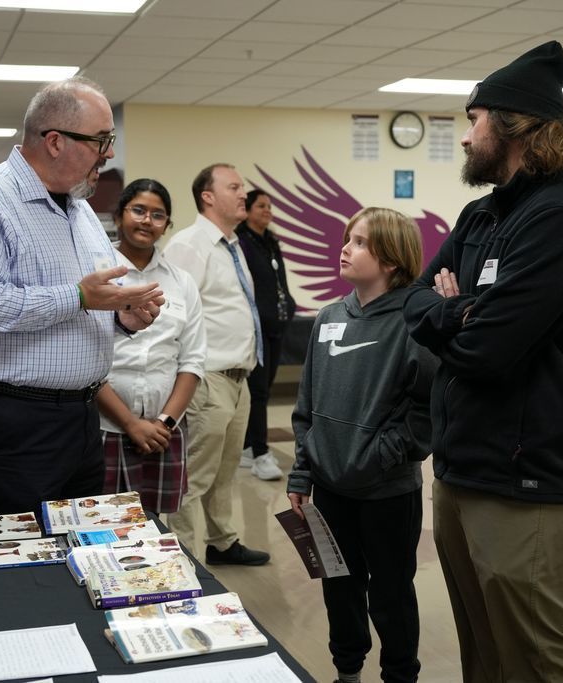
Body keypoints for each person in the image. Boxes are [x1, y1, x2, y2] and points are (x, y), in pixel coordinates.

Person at [402, 41, 563, 682]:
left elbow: (487, 351)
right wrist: (456, 310)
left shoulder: (561, 219)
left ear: (517, 126)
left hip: (528, 480)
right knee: (483, 647)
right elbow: (414, 297)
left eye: (475, 119)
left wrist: (455, 315)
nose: (465, 137)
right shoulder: (482, 214)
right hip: (465, 464)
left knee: (539, 652)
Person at [0, 77, 164, 517]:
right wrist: (79, 296)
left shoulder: (79, 211)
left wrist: (121, 316)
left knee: (76, 544)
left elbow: (89, 300)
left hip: (79, 418)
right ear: (55, 141)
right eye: (102, 140)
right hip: (8, 420)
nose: (110, 153)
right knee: (16, 557)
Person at [288, 207, 437, 683]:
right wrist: (303, 474)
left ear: (391, 259)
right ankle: (347, 672)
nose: (345, 248)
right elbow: (306, 406)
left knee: (392, 596)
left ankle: (399, 676)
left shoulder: (417, 321)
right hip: (331, 491)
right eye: (347, 239)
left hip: (388, 493)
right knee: (339, 588)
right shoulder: (329, 317)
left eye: (359, 242)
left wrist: (379, 457)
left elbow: (426, 412)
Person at [161, 163, 271, 566]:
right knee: (193, 477)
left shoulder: (231, 243)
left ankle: (222, 542)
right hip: (206, 378)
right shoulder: (190, 245)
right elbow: (173, 316)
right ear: (208, 196)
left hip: (237, 378)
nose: (244, 193)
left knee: (224, 473)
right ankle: (185, 562)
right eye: (234, 187)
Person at [98, 179, 207, 513]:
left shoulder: (181, 282)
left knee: (154, 529)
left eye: (157, 215)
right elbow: (83, 362)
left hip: (162, 433)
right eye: (139, 211)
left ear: (166, 226)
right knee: (100, 525)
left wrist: (165, 424)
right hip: (105, 429)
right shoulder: (98, 276)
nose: (147, 221)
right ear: (119, 217)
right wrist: (131, 425)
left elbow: (192, 361)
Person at [236, 189, 296, 481]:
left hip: (277, 326)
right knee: (258, 392)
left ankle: (248, 446)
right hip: (255, 329)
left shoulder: (270, 243)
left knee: (264, 391)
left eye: (270, 206)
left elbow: (279, 281)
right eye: (261, 206)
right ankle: (261, 453)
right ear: (246, 211)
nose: (267, 210)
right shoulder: (241, 244)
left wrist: (290, 304)